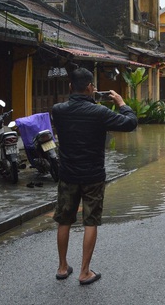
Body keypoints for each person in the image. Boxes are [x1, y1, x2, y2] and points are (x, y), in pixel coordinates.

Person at [51, 67, 138, 286]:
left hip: (68, 174)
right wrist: (120, 102)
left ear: (71, 87)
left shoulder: (58, 110)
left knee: (64, 220)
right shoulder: (99, 113)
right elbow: (130, 123)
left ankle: (62, 267)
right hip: (93, 176)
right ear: (91, 88)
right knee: (90, 221)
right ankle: (84, 272)